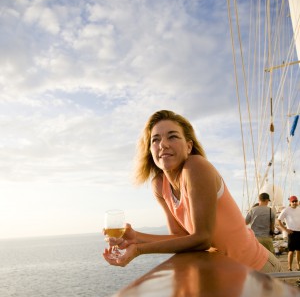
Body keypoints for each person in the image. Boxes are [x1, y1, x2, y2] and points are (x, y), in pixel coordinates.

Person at [103, 109, 282, 273]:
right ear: (150, 150)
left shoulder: (196, 166)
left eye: (172, 137)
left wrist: (139, 249)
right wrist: (135, 237)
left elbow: (202, 238)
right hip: (227, 277)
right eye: (155, 139)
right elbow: (180, 237)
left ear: (189, 146)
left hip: (259, 271)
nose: (163, 144)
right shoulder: (159, 185)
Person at [277, 196, 300, 271]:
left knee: (299, 251)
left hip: (299, 232)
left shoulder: (299, 209)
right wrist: (285, 229)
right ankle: (289, 267)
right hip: (291, 232)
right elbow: (279, 220)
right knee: (291, 251)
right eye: (293, 201)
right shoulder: (286, 210)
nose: (294, 203)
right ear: (290, 202)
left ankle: (298, 265)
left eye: (295, 201)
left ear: (297, 201)